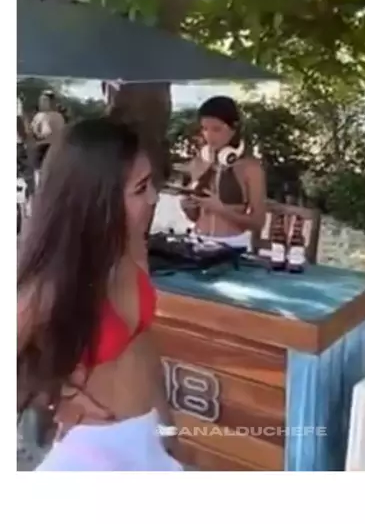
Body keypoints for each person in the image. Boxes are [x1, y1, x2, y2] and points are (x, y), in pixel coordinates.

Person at [17, 117, 182, 471]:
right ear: (96, 197)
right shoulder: (48, 284)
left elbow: (144, 348)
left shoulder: (129, 248)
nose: (153, 198)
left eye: (151, 184)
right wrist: (50, 397)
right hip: (92, 453)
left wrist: (168, 431)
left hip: (148, 440)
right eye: (140, 188)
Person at [180, 96, 266, 250]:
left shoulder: (250, 168)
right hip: (198, 240)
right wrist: (187, 207)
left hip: (231, 246)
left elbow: (258, 223)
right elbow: (194, 217)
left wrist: (221, 210)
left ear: (234, 129)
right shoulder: (199, 162)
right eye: (205, 129)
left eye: (217, 129)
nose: (209, 136)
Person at [30, 90, 65, 169]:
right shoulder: (59, 116)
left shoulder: (40, 116)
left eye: (44, 100)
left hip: (43, 148)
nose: (41, 103)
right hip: (56, 148)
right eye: (41, 100)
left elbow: (37, 133)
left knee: (40, 170)